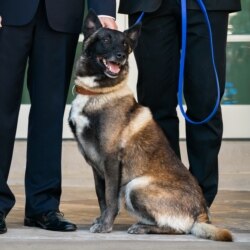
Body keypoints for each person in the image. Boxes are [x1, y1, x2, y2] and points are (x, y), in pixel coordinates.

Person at [0, 0, 117, 234]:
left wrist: (104, 9)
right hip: (7, 12)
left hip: (62, 14)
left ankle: (43, 206)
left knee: (50, 112)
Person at [119, 0, 241, 207]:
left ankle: (199, 200)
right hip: (150, 6)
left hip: (207, 7)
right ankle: (165, 194)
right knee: (155, 104)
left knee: (205, 102)